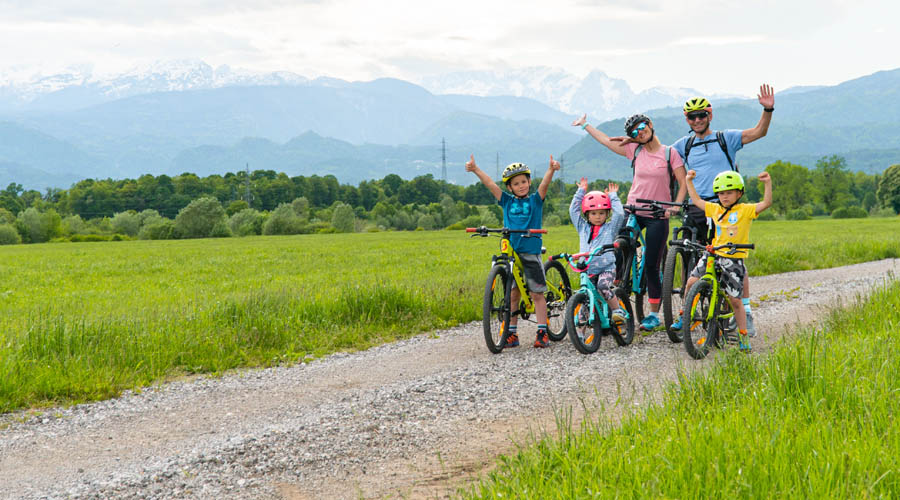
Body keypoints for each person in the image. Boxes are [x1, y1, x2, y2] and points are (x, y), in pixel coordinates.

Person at [671, 85, 775, 336]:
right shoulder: (683, 145)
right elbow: (655, 153)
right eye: (692, 117)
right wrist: (634, 139)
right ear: (687, 120)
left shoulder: (724, 138)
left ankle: (745, 312)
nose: (697, 120)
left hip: (727, 206)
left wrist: (767, 108)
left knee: (732, 255)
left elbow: (759, 132)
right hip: (698, 205)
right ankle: (689, 309)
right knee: (692, 254)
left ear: (710, 116)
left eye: (701, 115)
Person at [572, 113, 687, 332]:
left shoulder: (670, 154)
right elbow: (607, 142)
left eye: (641, 128)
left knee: (652, 265)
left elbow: (682, 183)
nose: (639, 133)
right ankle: (612, 296)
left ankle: (653, 315)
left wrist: (675, 205)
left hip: (657, 214)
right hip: (632, 209)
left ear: (650, 125)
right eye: (633, 132)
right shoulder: (635, 150)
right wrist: (586, 125)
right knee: (614, 248)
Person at [465, 154, 561, 348]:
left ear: (529, 182)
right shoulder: (507, 201)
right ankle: (511, 334)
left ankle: (542, 331)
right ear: (510, 187)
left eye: (524, 182)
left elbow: (543, 187)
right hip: (511, 253)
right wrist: (476, 170)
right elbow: (491, 185)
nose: (521, 186)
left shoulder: (535, 201)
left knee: (537, 294)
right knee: (513, 294)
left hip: (530, 251)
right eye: (516, 184)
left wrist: (551, 170)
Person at [682, 169, 773, 351]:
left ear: (739, 193)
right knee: (691, 282)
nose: (724, 197)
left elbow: (766, 203)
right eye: (721, 193)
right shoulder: (715, 209)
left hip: (733, 259)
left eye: (729, 192)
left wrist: (767, 184)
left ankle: (743, 335)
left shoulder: (745, 210)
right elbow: (697, 200)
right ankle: (686, 316)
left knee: (735, 300)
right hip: (714, 253)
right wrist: (688, 181)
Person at [569, 178, 626, 326]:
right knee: (586, 300)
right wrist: (580, 192)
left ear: (607, 214)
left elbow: (619, 214)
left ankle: (617, 311)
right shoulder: (582, 227)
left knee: (603, 287)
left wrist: (613, 196)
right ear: (587, 214)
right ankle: (580, 336)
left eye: (602, 213)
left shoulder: (610, 228)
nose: (598, 216)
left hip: (606, 268)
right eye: (593, 213)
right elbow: (573, 211)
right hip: (588, 270)